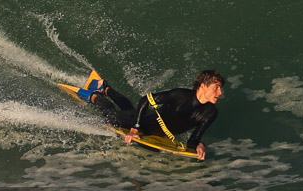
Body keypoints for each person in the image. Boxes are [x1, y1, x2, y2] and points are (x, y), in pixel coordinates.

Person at [87, 69, 225, 161]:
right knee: (111, 116)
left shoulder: (210, 113)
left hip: (150, 121)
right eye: (216, 88)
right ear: (202, 86)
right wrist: (134, 129)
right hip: (142, 123)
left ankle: (106, 89)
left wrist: (200, 145)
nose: (220, 92)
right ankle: (95, 97)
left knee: (128, 109)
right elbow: (145, 100)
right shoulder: (180, 95)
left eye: (220, 88)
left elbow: (193, 140)